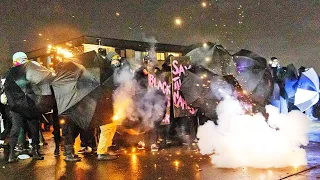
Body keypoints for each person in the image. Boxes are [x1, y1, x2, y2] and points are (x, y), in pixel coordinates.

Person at [4, 52, 44, 162]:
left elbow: (7, 89)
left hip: (17, 106)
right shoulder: (30, 71)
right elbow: (38, 86)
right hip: (29, 104)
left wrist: (12, 103)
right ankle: (35, 151)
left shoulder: (10, 73)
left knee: (16, 129)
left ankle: (12, 154)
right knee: (33, 128)